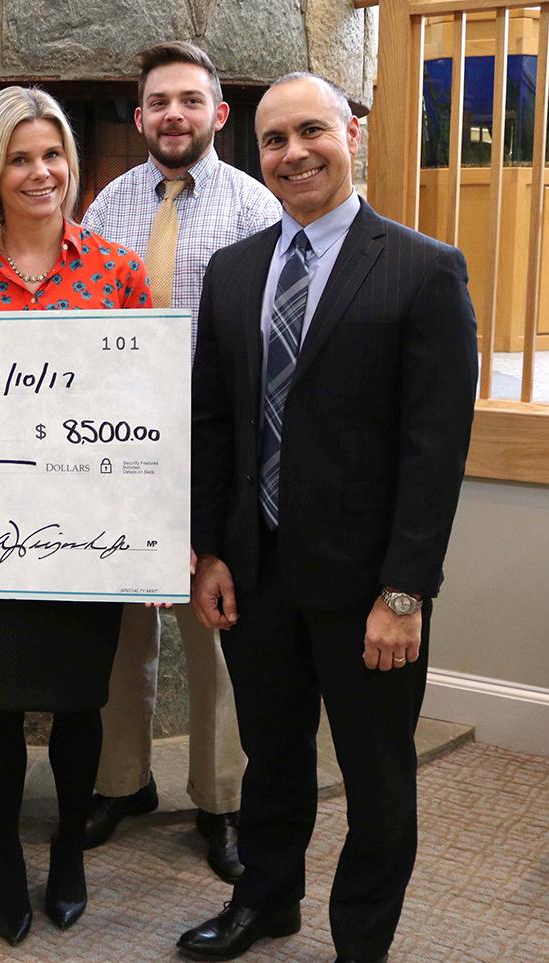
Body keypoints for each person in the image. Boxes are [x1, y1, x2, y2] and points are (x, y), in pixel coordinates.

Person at [179, 73, 477, 962]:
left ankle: (360, 942)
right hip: (256, 572)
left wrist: (405, 592)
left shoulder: (425, 269)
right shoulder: (234, 271)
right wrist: (211, 551)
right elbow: (214, 424)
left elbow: (435, 448)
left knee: (377, 778)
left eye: (311, 130)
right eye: (274, 139)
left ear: (351, 134)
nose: (293, 152)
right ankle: (266, 900)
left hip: (368, 588)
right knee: (270, 759)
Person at [0, 85, 151, 946]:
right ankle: (6, 860)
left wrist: (150, 536)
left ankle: (66, 853)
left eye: (52, 154)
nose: (39, 171)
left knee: (77, 702)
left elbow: (147, 411)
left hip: (85, 533)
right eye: (19, 157)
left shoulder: (117, 271)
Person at [79, 40, 280, 880]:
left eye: (190, 101)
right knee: (124, 625)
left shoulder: (255, 207)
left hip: (215, 443)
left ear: (218, 114)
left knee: (213, 628)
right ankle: (122, 781)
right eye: (159, 102)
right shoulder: (106, 206)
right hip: (123, 447)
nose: (173, 115)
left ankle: (219, 798)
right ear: (139, 117)